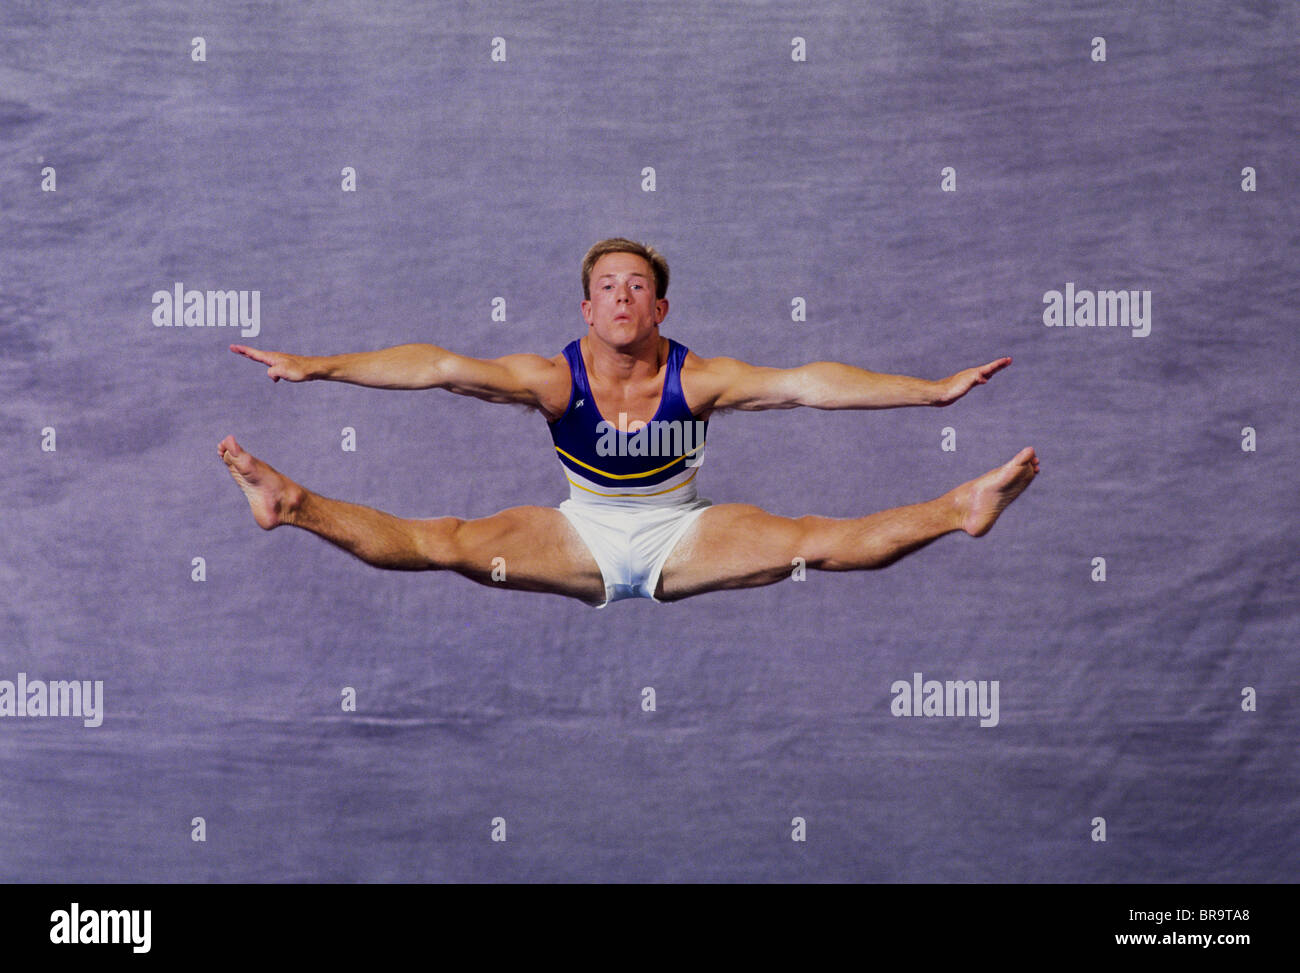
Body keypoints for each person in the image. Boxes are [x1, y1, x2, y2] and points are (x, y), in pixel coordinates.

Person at [219, 237, 1038, 608]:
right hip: (583, 533)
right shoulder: (550, 379)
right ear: (585, 307)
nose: (622, 295)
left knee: (813, 540)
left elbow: (811, 385)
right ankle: (292, 504)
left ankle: (960, 506)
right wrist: (317, 365)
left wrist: (930, 392)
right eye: (608, 285)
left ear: (661, 306)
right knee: (444, 541)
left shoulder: (700, 377)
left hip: (683, 533)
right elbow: (436, 366)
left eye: (637, 285)